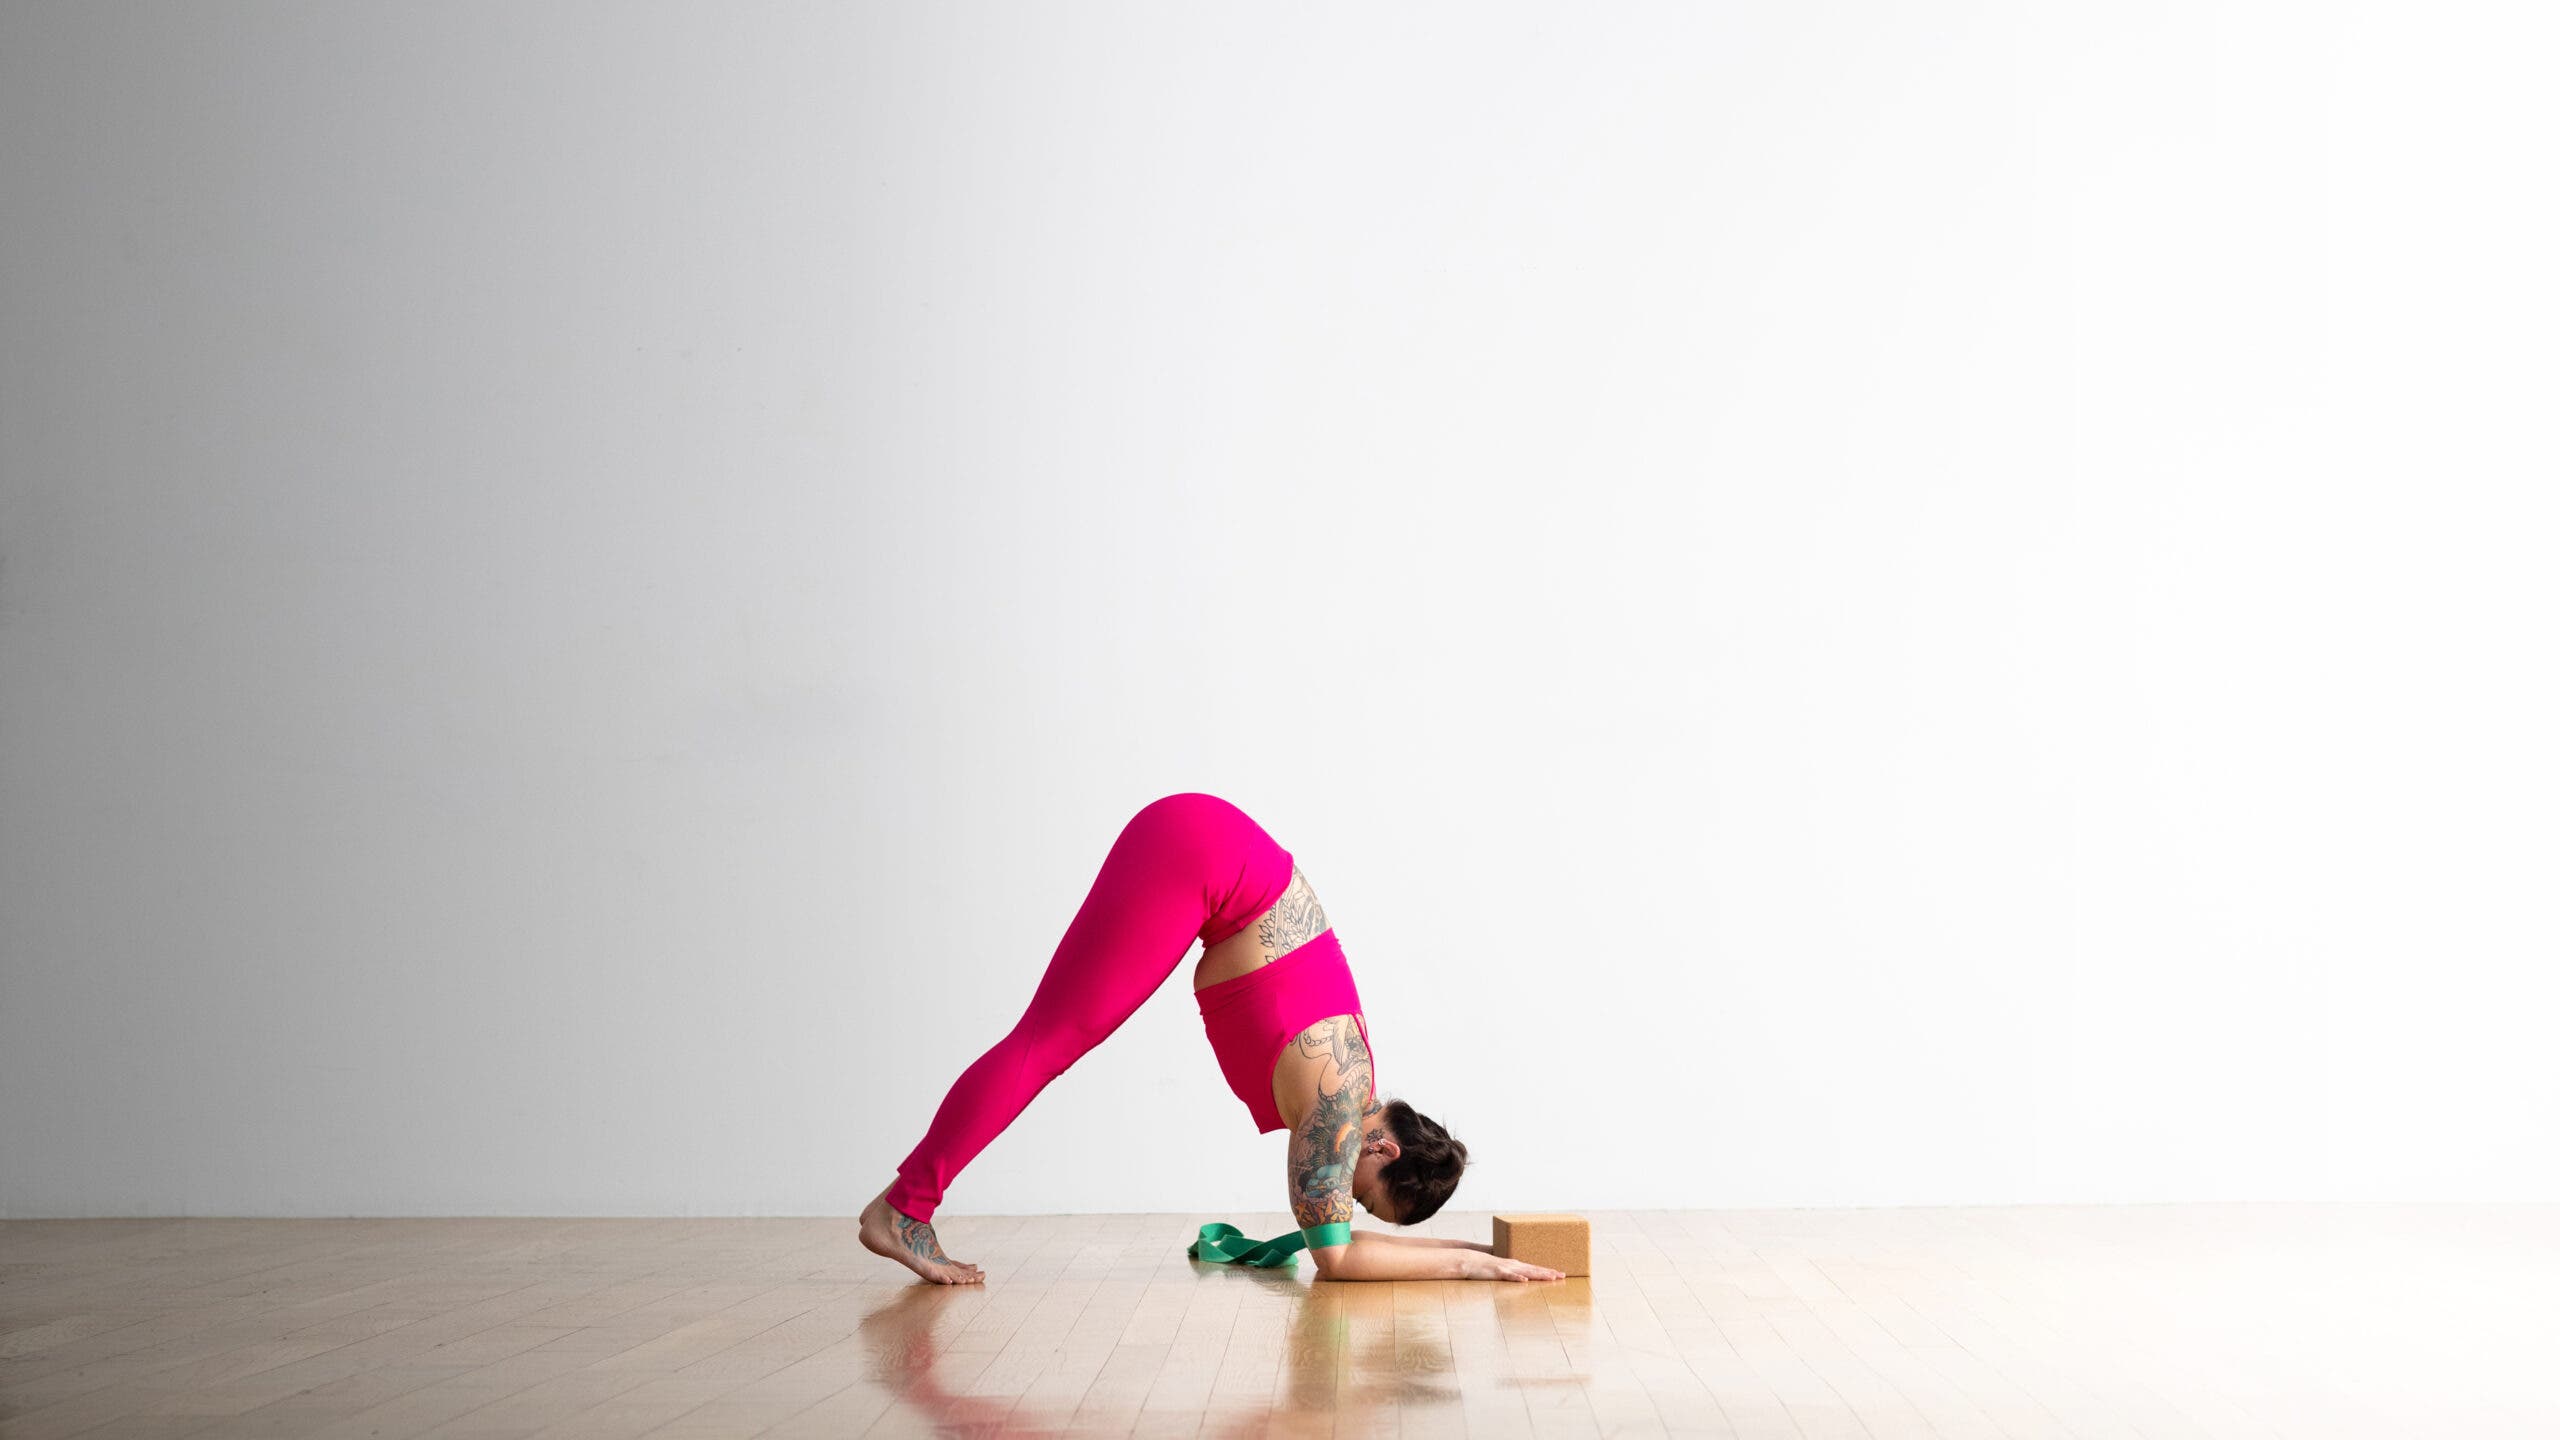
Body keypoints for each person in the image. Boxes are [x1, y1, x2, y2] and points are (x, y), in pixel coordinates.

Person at [857, 792, 1564, 1284]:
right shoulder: (1335, 1107)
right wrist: (1477, 1265)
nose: (1349, 1205)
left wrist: (1473, 1245)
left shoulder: (1353, 1091)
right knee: (1044, 1044)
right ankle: (903, 1209)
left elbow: (1343, 1245)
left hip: (1206, 846)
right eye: (1369, 1197)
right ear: (1383, 1147)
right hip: (1201, 855)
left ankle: (906, 1204)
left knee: (1048, 1042)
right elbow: (1341, 1261)